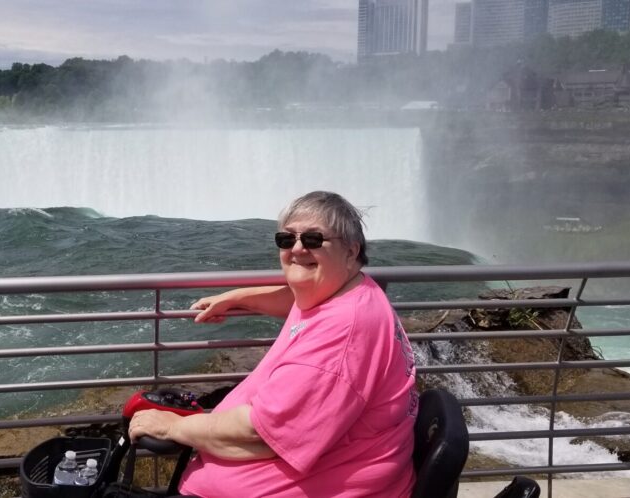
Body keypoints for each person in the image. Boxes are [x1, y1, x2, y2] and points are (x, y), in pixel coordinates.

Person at [129, 191, 418, 497]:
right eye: (286, 239)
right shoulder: (351, 291)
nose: (297, 248)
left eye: (313, 240)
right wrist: (236, 298)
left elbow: (262, 436)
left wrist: (173, 427)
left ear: (350, 251)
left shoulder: (341, 336)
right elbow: (297, 296)